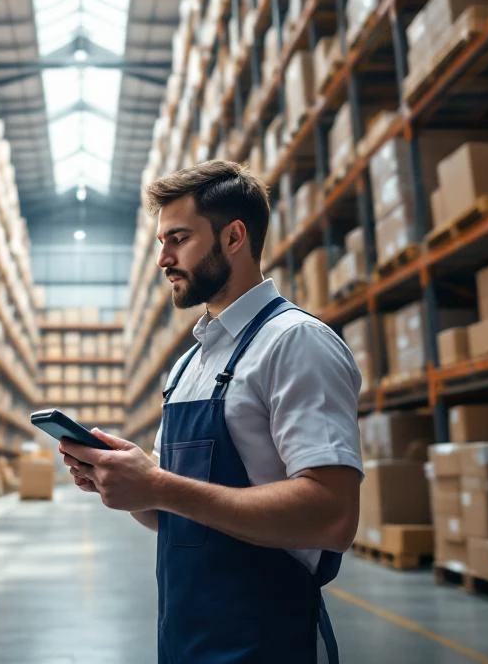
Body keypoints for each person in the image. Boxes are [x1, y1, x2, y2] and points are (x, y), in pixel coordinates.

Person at [60, 160, 363, 663]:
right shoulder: (187, 366)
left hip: (266, 642)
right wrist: (131, 486)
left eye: (178, 239)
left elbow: (332, 515)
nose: (164, 259)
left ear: (234, 237)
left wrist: (158, 485)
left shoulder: (294, 343)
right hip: (186, 638)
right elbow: (180, 513)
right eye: (161, 243)